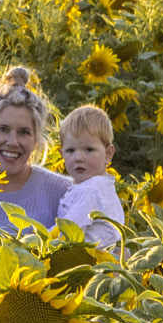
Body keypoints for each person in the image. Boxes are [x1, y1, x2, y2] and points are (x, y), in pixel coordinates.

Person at [0, 67, 68, 233]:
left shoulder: (61, 192)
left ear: (36, 140)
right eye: (2, 129)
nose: (13, 142)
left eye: (24, 132)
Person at [56, 104, 124, 251]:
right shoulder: (96, 186)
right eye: (70, 150)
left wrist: (33, 244)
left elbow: (66, 230)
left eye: (89, 150)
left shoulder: (92, 190)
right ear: (62, 154)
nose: (78, 158)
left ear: (107, 154)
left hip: (95, 268)